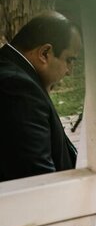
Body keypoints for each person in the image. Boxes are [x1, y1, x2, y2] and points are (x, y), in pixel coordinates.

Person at [0, 12, 81, 182]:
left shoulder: (14, 73)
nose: (69, 71)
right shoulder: (19, 89)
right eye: (69, 60)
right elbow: (38, 180)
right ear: (44, 53)